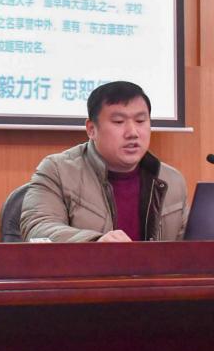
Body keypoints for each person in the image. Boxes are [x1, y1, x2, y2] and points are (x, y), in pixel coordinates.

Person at [20, 81, 188, 242]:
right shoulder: (58, 171)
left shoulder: (171, 179)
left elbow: (188, 245)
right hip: (88, 263)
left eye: (140, 121)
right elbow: (38, 227)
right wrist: (95, 242)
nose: (132, 132)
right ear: (91, 129)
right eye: (118, 122)